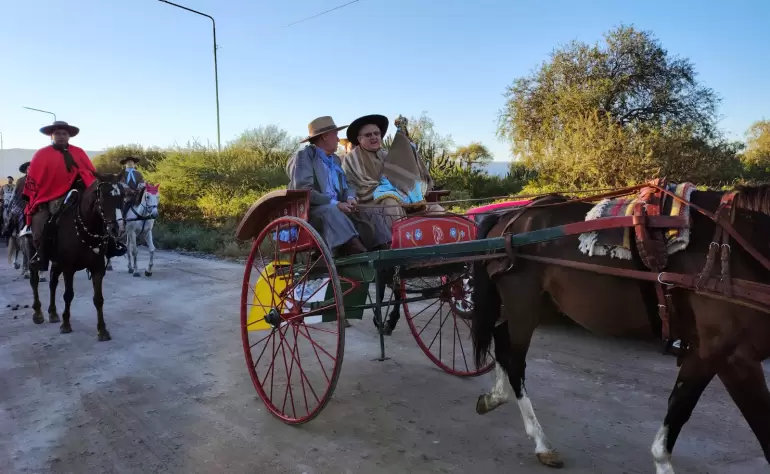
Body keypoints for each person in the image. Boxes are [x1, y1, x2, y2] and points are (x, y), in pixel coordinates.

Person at [22, 121, 122, 270]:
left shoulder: (78, 152)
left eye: (64, 134)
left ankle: (111, 246)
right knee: (41, 221)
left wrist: (98, 179)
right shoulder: (42, 154)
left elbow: (90, 171)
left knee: (100, 210)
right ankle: (41, 255)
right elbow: (34, 178)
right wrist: (32, 196)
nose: (61, 136)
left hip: (79, 192)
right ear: (52, 135)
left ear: (69, 136)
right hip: (51, 195)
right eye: (58, 133)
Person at [286, 116, 391, 255]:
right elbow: (304, 190)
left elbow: (347, 185)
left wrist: (350, 197)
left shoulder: (335, 159)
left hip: (336, 208)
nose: (337, 139)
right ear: (324, 136)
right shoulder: (305, 156)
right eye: (335, 135)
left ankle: (384, 248)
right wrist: (335, 203)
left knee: (367, 210)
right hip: (313, 212)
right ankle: (357, 250)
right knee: (331, 211)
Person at [342, 114, 443, 228]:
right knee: (390, 202)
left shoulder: (387, 155)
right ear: (360, 139)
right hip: (371, 203)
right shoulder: (351, 159)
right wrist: (391, 193)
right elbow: (353, 186)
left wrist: (409, 148)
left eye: (376, 133)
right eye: (368, 135)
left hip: (403, 198)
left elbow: (406, 175)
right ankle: (399, 241)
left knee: (436, 209)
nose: (374, 137)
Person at [1, 163, 29, 238]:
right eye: (28, 168)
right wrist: (10, 205)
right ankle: (9, 231)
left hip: (34, 204)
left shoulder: (37, 179)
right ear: (25, 170)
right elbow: (14, 195)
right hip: (21, 204)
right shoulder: (20, 181)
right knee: (12, 217)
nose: (9, 180)